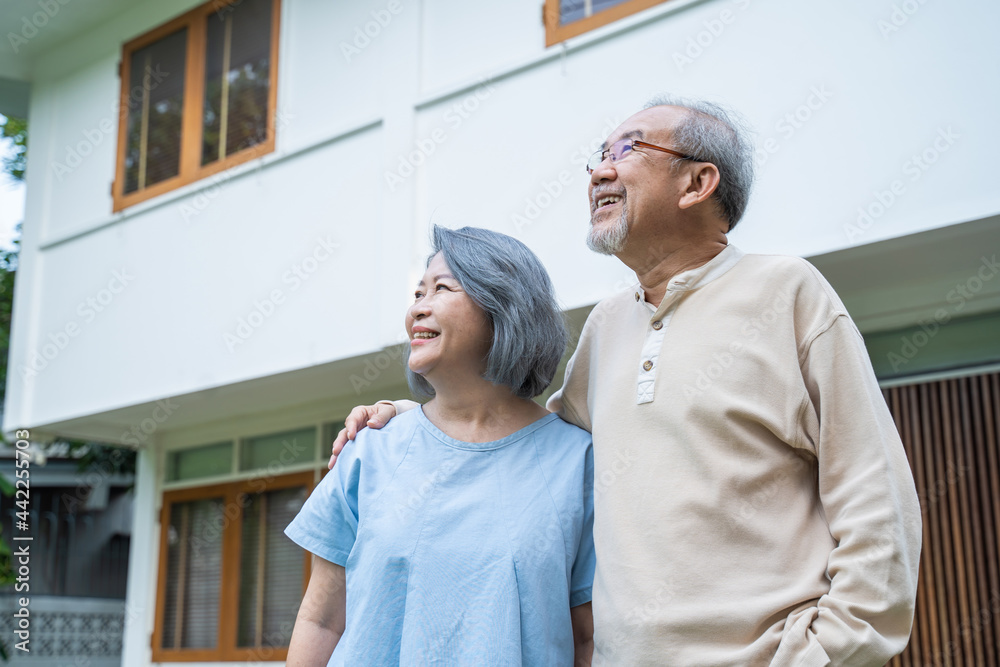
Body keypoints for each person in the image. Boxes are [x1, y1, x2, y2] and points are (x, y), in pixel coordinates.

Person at [330, 96, 922, 666]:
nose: (598, 172)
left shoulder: (788, 293)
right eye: (598, 154)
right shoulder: (607, 325)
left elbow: (877, 505)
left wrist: (823, 656)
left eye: (626, 149)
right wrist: (425, 419)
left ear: (697, 183)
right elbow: (534, 445)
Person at [285, 225, 596, 666]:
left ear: (504, 307)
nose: (418, 310)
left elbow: (587, 638)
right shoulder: (368, 450)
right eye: (417, 294)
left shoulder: (577, 462)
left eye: (441, 289)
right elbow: (322, 622)